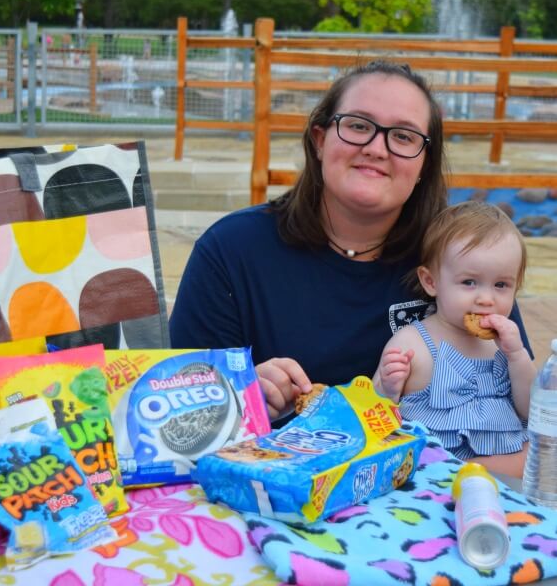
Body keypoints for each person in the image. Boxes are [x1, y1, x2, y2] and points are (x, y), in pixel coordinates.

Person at [169, 59, 532, 426]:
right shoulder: (231, 251)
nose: (377, 148)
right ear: (320, 140)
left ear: (424, 164)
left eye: (404, 136)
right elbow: (179, 416)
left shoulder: (461, 255)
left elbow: (521, 405)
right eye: (358, 126)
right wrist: (242, 395)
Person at [374, 201, 533, 477]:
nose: (486, 299)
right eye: (469, 282)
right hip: (436, 474)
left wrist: (518, 356)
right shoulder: (413, 343)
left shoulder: (505, 346)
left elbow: (529, 409)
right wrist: (388, 387)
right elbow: (375, 411)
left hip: (505, 471)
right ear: (431, 282)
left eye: (501, 285)